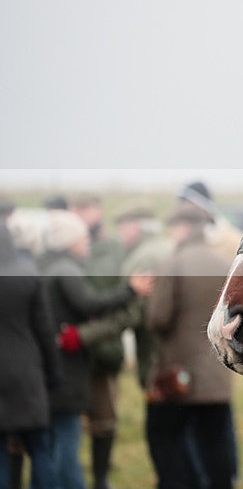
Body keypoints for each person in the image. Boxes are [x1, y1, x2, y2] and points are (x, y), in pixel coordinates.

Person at [40, 210, 151, 489]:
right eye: (81, 237)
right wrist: (130, 290)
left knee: (82, 428)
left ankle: (98, 477)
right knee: (67, 435)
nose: (86, 241)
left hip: (77, 357)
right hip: (72, 361)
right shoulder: (68, 269)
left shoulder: (50, 264)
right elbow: (89, 303)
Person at [145, 204, 236, 489]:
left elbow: (158, 319)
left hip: (179, 373)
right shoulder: (226, 265)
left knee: (164, 437)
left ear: (183, 227)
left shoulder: (173, 264)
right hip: (219, 373)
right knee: (216, 443)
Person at [69, 193, 128, 489]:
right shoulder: (67, 251)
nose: (79, 215)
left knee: (104, 421)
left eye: (85, 209)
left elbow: (127, 303)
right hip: (67, 352)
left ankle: (101, 478)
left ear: (98, 211)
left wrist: (96, 332)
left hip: (103, 349)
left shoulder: (115, 249)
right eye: (74, 209)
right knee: (68, 421)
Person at [0, 222, 61, 489]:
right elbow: (45, 331)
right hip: (27, 374)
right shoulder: (28, 276)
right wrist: (53, 373)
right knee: (40, 450)